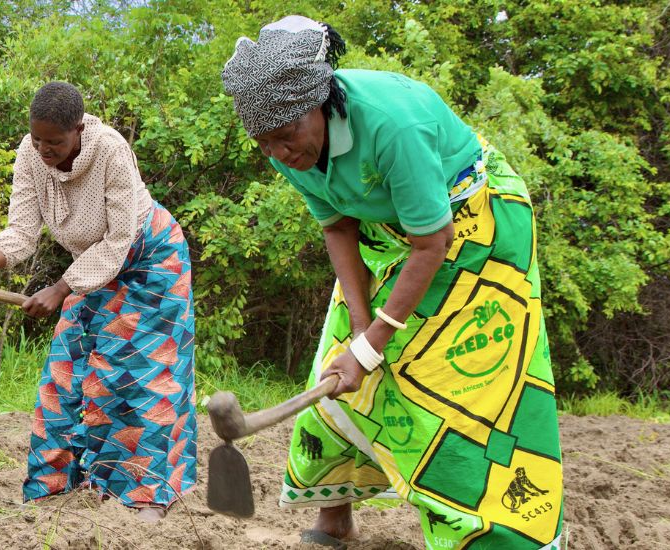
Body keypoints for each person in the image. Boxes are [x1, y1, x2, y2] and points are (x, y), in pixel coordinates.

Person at [219, 16, 563, 549]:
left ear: (320, 103)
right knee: (337, 359)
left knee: (457, 388)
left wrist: (374, 346)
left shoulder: (390, 124)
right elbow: (338, 226)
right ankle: (333, 519)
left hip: (474, 228)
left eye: (287, 137)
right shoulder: (287, 146)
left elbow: (433, 242)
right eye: (265, 145)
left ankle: (492, 540)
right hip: (392, 233)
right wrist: (359, 331)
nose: (280, 155)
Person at [0, 82, 197, 523]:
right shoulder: (30, 153)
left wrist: (61, 289)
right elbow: (20, 232)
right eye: (37, 139)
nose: (43, 149)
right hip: (87, 271)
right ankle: (56, 490)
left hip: (149, 262)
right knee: (65, 376)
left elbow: (118, 240)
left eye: (54, 141)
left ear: (78, 129)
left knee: (136, 376)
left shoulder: (110, 150)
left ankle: (146, 496)